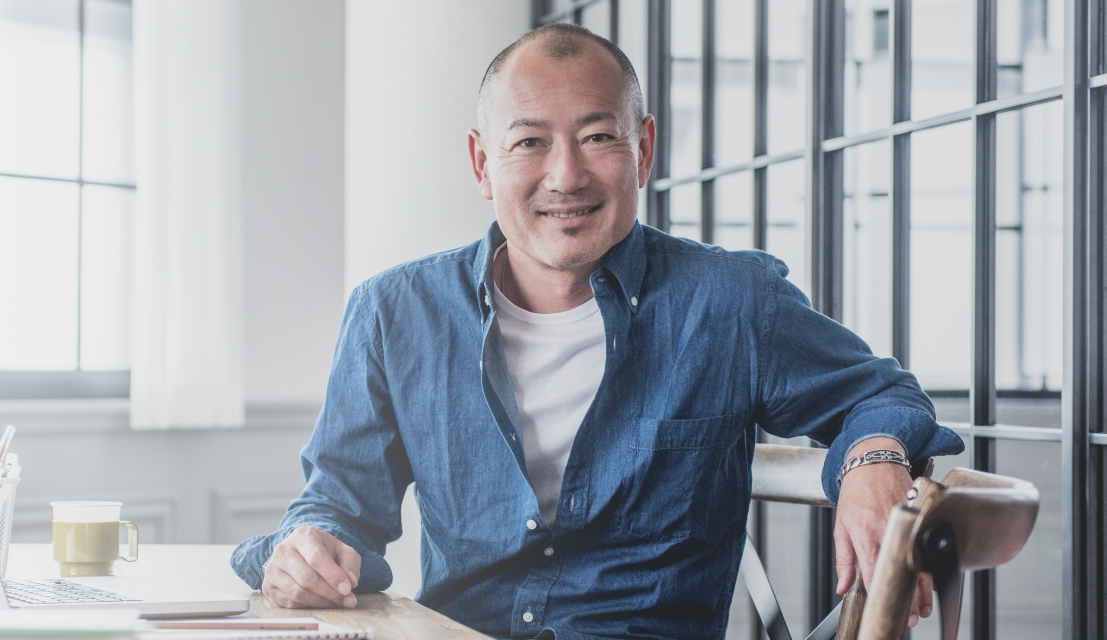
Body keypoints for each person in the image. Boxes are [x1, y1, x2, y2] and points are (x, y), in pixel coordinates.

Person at [230, 23, 964, 640]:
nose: (566, 175)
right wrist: (307, 549)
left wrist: (872, 456)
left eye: (597, 136)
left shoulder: (732, 302)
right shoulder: (393, 313)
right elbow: (340, 509)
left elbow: (882, 395)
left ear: (643, 150)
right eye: (529, 144)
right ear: (484, 163)